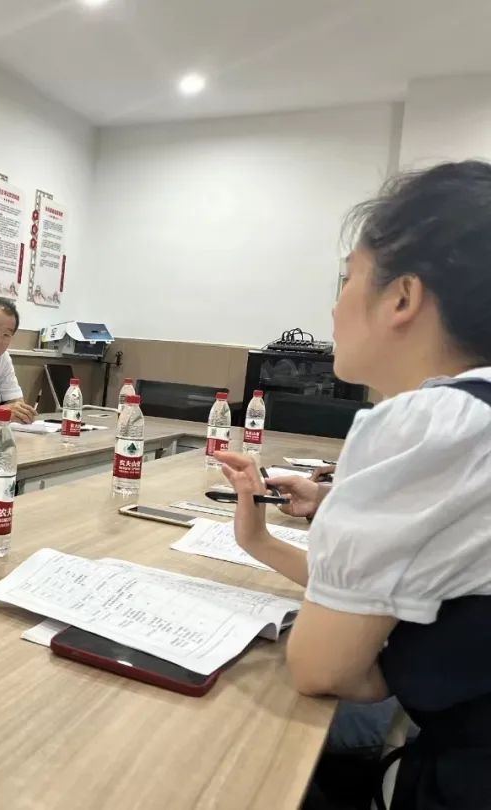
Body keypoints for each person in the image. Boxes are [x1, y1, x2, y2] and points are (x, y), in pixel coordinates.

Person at [217, 161, 491, 810]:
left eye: (347, 280)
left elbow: (325, 669)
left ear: (402, 297)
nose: (335, 307)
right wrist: (273, 539)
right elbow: (396, 601)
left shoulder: (430, 422)